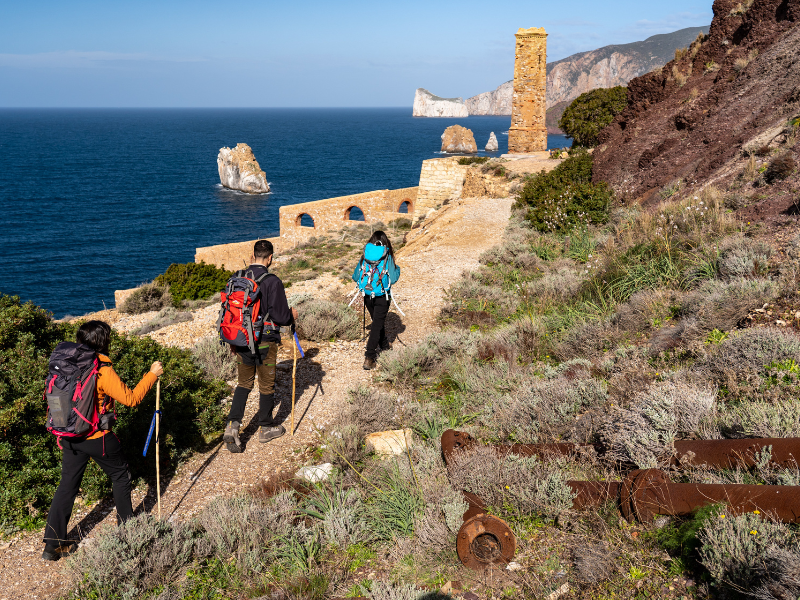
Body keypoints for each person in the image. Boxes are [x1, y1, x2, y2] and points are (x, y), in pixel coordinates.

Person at [42, 320, 163, 561]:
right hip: (97, 437)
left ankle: (52, 546)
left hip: (68, 436)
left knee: (67, 485)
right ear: (103, 341)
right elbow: (131, 399)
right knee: (120, 476)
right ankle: (128, 532)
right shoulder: (100, 369)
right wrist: (152, 374)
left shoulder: (65, 363)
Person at [222, 239, 298, 452]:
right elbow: (281, 317)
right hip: (265, 342)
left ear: (253, 255)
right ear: (270, 258)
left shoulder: (239, 278)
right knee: (266, 385)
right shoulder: (272, 281)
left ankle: (232, 425)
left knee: (243, 384)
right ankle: (265, 428)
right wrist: (292, 316)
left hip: (240, 340)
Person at [352, 230, 400, 370]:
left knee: (377, 324)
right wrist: (398, 270)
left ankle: (384, 347)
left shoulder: (365, 256)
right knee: (377, 325)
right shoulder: (387, 256)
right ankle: (369, 357)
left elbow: (355, 276)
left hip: (367, 295)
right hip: (382, 296)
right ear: (386, 243)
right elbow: (394, 278)